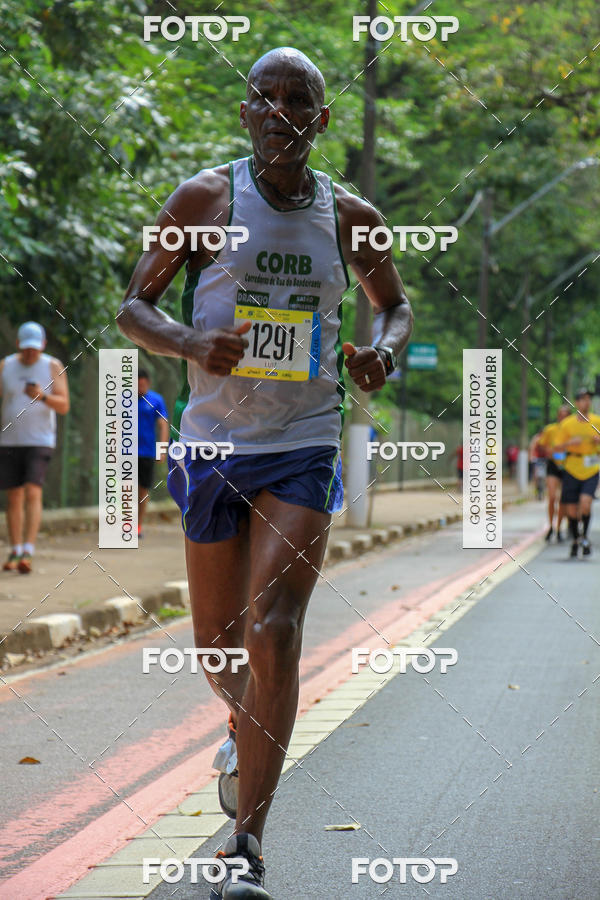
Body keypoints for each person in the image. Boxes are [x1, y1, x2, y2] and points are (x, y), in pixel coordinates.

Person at [118, 47, 413, 899]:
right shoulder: (205, 199)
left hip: (305, 440)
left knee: (273, 628)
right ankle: (247, 737)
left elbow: (393, 306)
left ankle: (245, 844)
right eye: (266, 97)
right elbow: (134, 304)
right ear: (245, 113)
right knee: (217, 649)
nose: (281, 111)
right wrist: (188, 341)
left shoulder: (353, 217)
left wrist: (383, 356)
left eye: (299, 100)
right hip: (214, 447)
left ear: (322, 120)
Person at [0, 322, 69, 573]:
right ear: (18, 345)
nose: (31, 353)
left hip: (40, 440)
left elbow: (64, 406)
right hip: (9, 440)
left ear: (43, 346)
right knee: (14, 496)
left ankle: (29, 549)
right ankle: (15, 549)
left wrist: (42, 396)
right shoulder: (5, 366)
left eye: (35, 349)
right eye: (26, 349)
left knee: (32, 490)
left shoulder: (53, 366)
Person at [554, 388, 600, 558]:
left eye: (588, 399)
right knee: (572, 510)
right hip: (572, 468)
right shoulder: (567, 425)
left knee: (586, 503)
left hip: (591, 468)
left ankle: (585, 537)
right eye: (582, 399)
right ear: (577, 403)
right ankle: (575, 540)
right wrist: (568, 444)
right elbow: (556, 449)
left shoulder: (597, 421)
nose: (586, 402)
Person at [137, 369, 169, 537]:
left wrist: (162, 449)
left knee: (143, 490)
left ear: (148, 383)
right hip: (126, 452)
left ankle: (138, 526)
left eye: (142, 383)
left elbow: (163, 424)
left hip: (147, 452)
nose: (139, 387)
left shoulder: (156, 400)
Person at [537, 405, 569, 542]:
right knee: (552, 496)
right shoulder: (550, 429)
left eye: (565, 415)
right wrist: (548, 450)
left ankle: (559, 527)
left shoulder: (572, 431)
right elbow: (540, 444)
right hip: (552, 465)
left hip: (568, 465)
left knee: (563, 499)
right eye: (560, 415)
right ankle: (551, 526)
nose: (562, 417)